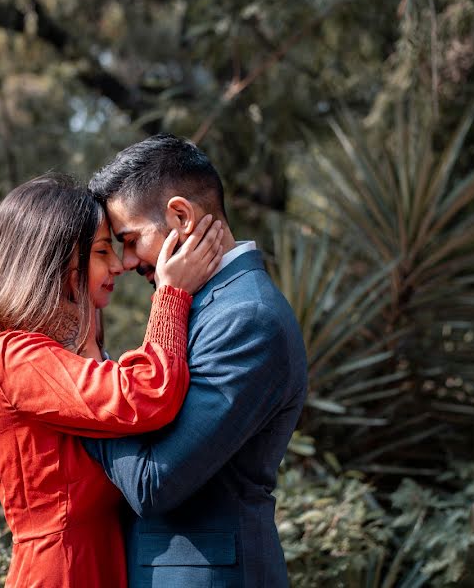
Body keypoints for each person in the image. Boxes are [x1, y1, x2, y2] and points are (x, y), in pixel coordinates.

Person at [0, 172, 224, 588]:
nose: (118, 265)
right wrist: (171, 294)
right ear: (54, 262)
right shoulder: (14, 357)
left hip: (103, 561)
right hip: (63, 572)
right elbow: (147, 395)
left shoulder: (66, 354)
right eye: (102, 251)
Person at [83, 134, 308, 588]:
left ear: (181, 216)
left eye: (129, 240)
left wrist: (85, 382)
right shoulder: (199, 305)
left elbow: (153, 483)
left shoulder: (248, 318)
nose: (125, 263)